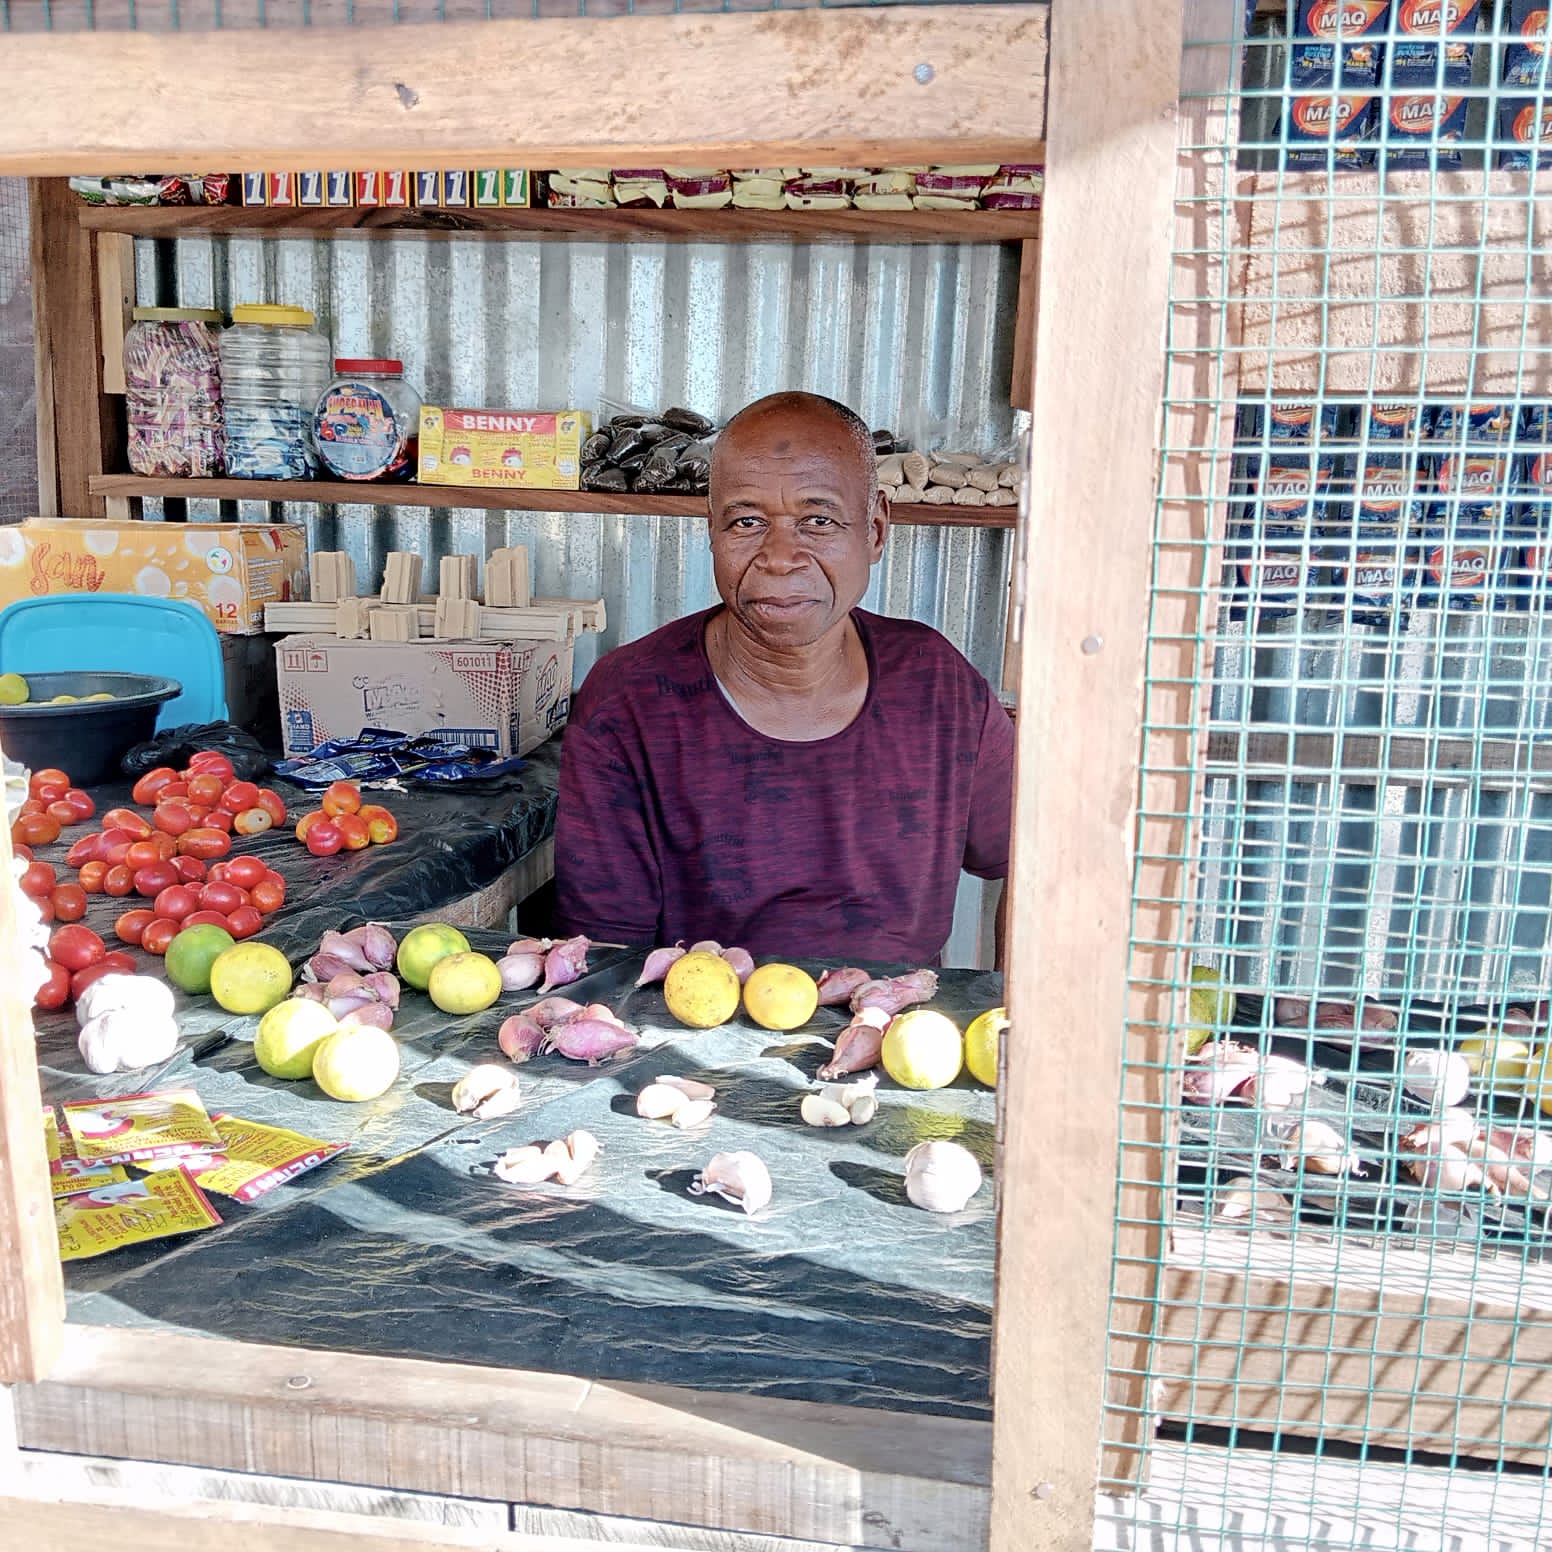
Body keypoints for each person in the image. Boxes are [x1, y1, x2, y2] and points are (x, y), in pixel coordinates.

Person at [551, 391, 1014, 966]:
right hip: (695, 1039)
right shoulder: (629, 702)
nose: (779, 557)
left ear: (873, 530)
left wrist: (1017, 1022)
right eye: (747, 521)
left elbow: (1031, 860)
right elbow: (604, 952)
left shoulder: (938, 685)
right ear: (713, 534)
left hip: (891, 1032)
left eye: (818, 520)